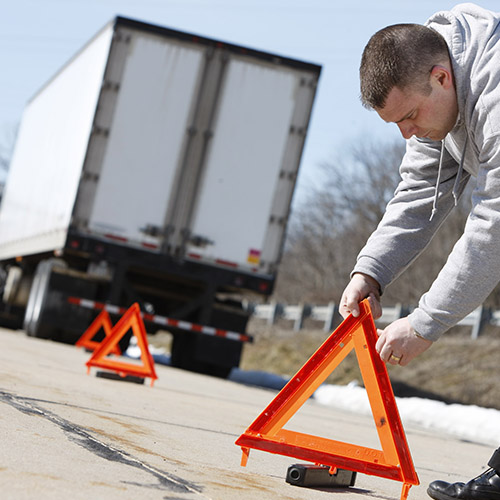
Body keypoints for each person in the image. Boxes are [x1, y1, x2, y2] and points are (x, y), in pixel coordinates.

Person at [338, 3, 500, 500]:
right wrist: (370, 272)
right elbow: (417, 195)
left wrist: (426, 322)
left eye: (408, 116)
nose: (407, 133)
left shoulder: (494, 90)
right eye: (396, 123)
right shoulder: (435, 101)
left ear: (441, 77)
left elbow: (496, 219)